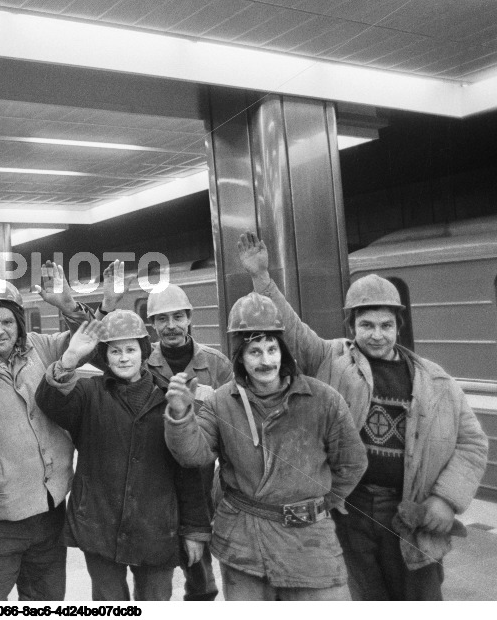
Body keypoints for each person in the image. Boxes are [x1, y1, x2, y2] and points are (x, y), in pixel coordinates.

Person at [237, 232, 488, 600]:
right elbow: (291, 330)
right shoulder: (331, 359)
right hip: (349, 510)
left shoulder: (437, 382)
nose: (377, 335)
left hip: (410, 512)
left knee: (422, 597)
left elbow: (472, 443)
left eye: (386, 325)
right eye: (367, 325)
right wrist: (261, 277)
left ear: (399, 327)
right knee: (366, 598)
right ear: (351, 327)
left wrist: (446, 500)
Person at [165, 292, 367, 601]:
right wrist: (180, 415)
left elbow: (352, 463)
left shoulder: (323, 400)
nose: (266, 361)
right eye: (255, 352)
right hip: (244, 544)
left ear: (283, 352)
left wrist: (317, 504)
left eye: (272, 349)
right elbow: (193, 455)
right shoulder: (221, 402)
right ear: (240, 357)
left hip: (311, 545)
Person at [36, 311, 212, 601]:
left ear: (143, 352)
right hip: (99, 524)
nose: (123, 358)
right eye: (115, 351)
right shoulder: (88, 393)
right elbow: (50, 402)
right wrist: (68, 360)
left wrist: (195, 529)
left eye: (130, 349)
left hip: (156, 529)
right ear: (105, 357)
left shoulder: (170, 398)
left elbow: (189, 470)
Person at [0, 270, 87, 601]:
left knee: (45, 602)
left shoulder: (41, 347)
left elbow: (87, 343)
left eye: (7, 322)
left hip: (50, 513)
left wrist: (69, 307)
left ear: (19, 324)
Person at [95, 263, 231, 600]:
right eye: (161, 319)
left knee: (201, 575)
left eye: (177, 317)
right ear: (152, 325)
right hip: (154, 478)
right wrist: (107, 305)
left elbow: (233, 419)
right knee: (157, 573)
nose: (171, 325)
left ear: (189, 318)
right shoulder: (140, 360)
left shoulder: (216, 364)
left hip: (200, 480)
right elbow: (96, 350)